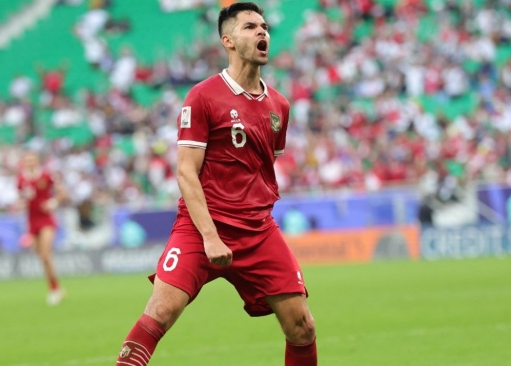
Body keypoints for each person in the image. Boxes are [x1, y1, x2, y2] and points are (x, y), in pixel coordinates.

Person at [114, 3, 317, 365]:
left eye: (265, 27)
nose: (262, 32)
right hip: (201, 226)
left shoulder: (279, 106)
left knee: (302, 326)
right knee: (161, 311)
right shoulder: (203, 96)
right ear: (228, 40)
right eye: (251, 27)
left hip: (257, 230)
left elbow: (263, 165)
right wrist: (210, 236)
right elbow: (185, 172)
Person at [17, 152, 65, 305]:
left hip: (46, 219)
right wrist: (21, 203)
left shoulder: (46, 176)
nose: (29, 163)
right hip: (32, 220)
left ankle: (55, 289)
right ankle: (55, 286)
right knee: (41, 256)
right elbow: (22, 198)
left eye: (32, 160)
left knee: (45, 254)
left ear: (37, 161)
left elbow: (62, 192)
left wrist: (53, 202)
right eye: (27, 160)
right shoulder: (21, 179)